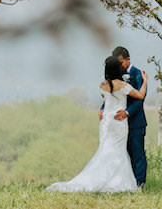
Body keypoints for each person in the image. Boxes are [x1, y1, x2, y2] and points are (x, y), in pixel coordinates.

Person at [46, 55, 147, 193]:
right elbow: (140, 95)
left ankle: (104, 178)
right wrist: (145, 81)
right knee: (118, 150)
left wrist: (102, 109)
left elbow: (107, 100)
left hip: (106, 121)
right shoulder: (123, 85)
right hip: (118, 121)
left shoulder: (102, 86)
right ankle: (118, 181)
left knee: (106, 149)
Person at [110, 45, 147, 188]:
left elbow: (140, 99)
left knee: (137, 154)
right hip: (120, 124)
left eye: (121, 62)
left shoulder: (138, 74)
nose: (119, 66)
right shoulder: (117, 76)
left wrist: (127, 112)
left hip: (136, 122)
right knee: (124, 155)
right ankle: (127, 183)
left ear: (128, 59)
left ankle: (140, 184)